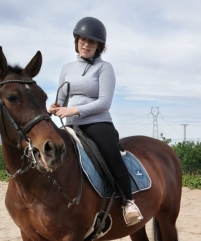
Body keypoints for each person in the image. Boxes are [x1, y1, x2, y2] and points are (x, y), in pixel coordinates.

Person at [48, 17, 144, 226]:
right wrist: (56, 107)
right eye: (83, 40)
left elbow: (104, 102)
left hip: (97, 123)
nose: (86, 45)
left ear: (99, 46)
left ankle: (128, 202)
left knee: (110, 153)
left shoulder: (104, 68)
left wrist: (75, 109)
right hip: (70, 124)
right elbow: (63, 98)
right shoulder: (67, 68)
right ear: (77, 41)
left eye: (92, 42)